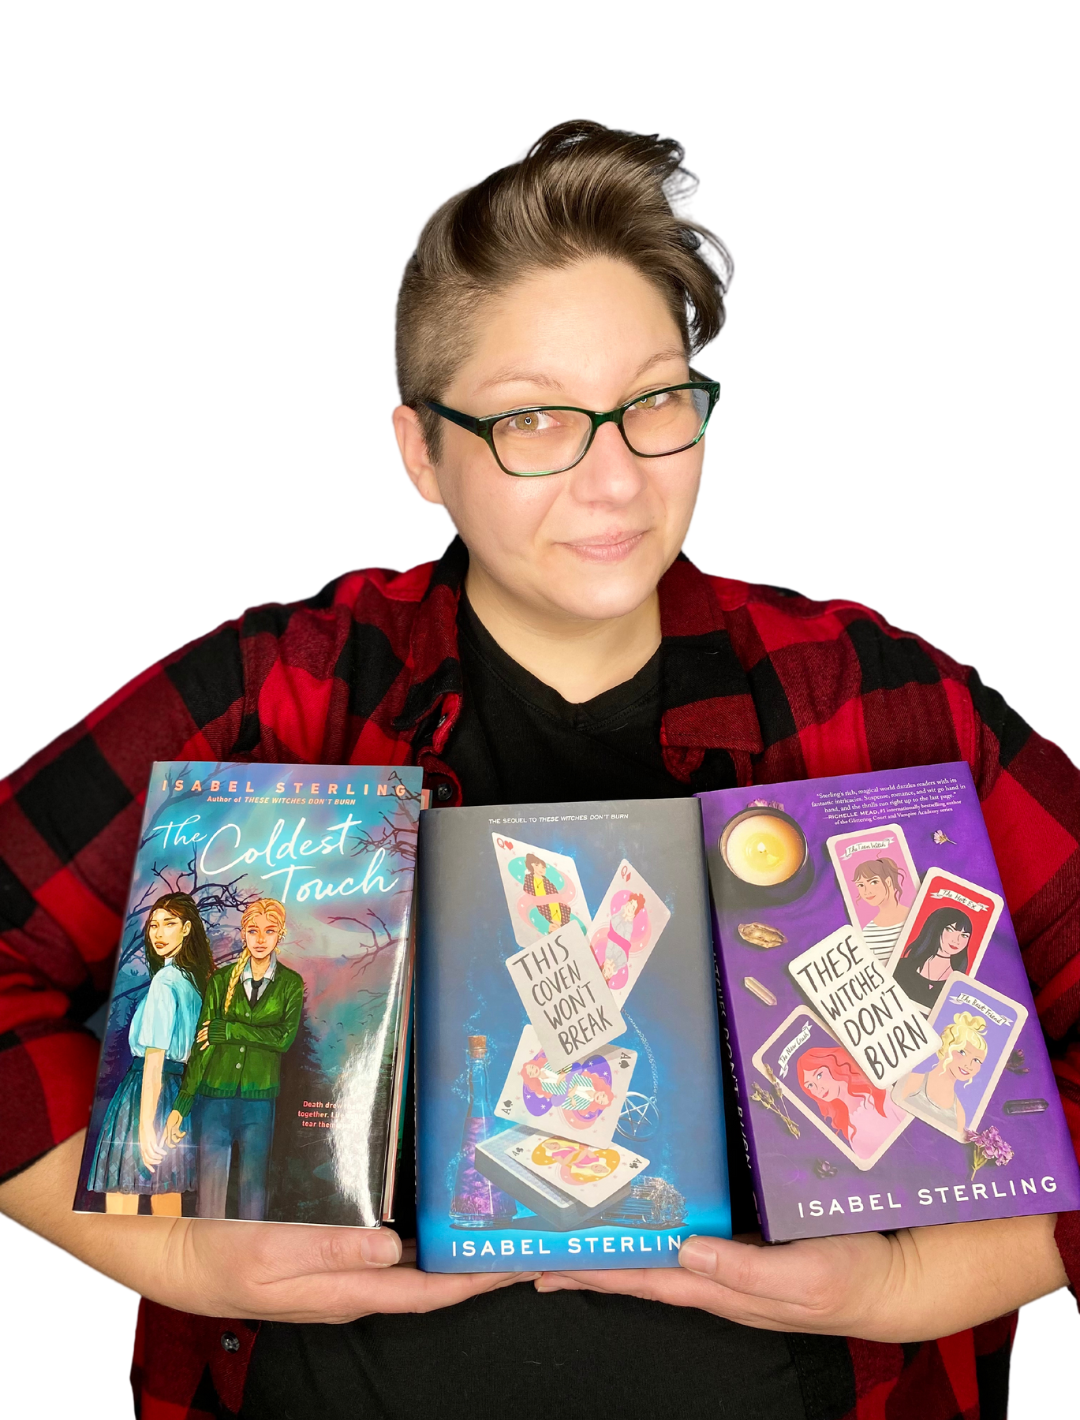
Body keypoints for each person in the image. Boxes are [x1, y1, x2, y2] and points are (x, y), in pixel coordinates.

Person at [1, 119, 1078, 1419]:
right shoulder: (279, 698)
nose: (615, 478)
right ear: (423, 450)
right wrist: (178, 1256)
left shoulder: (878, 705)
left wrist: (906, 1286)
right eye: (534, 419)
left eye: (656, 400)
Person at [164, 898, 304, 1221]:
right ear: (243, 933)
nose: (260, 939)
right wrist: (182, 1104)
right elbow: (202, 1048)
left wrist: (229, 1030)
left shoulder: (290, 984)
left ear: (280, 934)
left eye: (269, 931)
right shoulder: (220, 981)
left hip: (259, 1101)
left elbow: (283, 1039)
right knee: (209, 1198)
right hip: (214, 1100)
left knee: (254, 1194)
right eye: (253, 931)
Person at [87, 893, 213, 1214]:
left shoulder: (165, 981)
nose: (158, 933)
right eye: (154, 925)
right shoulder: (194, 983)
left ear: (187, 929)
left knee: (123, 1194)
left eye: (168, 924)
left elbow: (154, 1061)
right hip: (177, 1096)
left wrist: (144, 1129)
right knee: (167, 1193)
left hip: (143, 1093)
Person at [797, 1044, 907, 1160]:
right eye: (810, 1085)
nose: (818, 1088)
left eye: (819, 1075)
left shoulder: (880, 1094)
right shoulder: (851, 1130)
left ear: (832, 1064)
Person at [894, 1013, 989, 1139]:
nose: (969, 1065)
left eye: (977, 1060)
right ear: (945, 1047)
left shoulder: (959, 1113)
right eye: (962, 1052)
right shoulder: (912, 1081)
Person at [892, 906, 974, 1010]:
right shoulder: (902, 966)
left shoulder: (958, 985)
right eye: (950, 930)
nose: (956, 940)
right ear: (936, 928)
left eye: (964, 935)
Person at [851, 857, 909, 964]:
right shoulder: (867, 933)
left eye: (873, 882)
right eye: (861, 885)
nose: (867, 891)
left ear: (888, 882)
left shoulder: (916, 915)